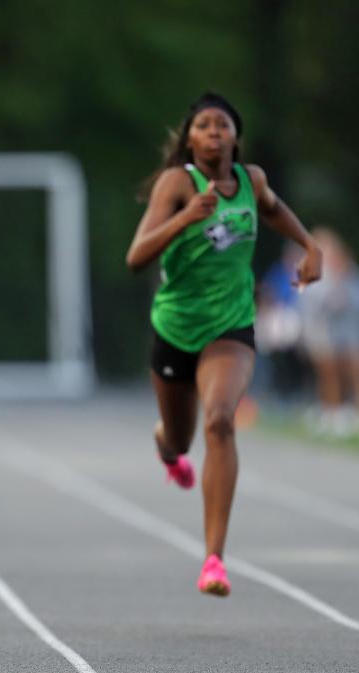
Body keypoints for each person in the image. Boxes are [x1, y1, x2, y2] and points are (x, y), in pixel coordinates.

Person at [126, 93, 322, 597]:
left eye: (223, 124)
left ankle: (214, 559)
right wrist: (186, 216)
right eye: (204, 125)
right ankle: (167, 449)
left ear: (235, 136)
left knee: (219, 420)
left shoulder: (251, 181)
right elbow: (136, 256)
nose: (214, 131)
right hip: (175, 327)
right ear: (190, 139)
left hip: (230, 326)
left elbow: (274, 210)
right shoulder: (177, 184)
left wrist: (310, 246)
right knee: (179, 437)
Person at [299, 228, 359, 437]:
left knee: (353, 372)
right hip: (322, 332)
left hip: (347, 332)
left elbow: (355, 299)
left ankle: (353, 413)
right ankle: (331, 413)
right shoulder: (313, 270)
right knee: (328, 374)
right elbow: (311, 301)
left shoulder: (348, 271)